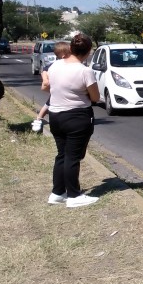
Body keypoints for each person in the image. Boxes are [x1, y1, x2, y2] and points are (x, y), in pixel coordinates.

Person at [46, 33, 101, 208]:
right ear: (88, 52)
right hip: (77, 117)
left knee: (61, 155)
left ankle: (57, 192)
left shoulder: (55, 66)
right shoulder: (85, 71)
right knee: (72, 157)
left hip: (55, 115)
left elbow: (51, 86)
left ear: (70, 48)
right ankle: (74, 196)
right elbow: (95, 98)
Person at [32, 41, 71, 133]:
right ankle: (38, 119)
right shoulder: (56, 64)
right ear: (63, 55)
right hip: (57, 87)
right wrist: (45, 80)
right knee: (49, 103)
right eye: (69, 53)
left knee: (53, 103)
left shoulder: (70, 63)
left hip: (65, 87)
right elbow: (44, 71)